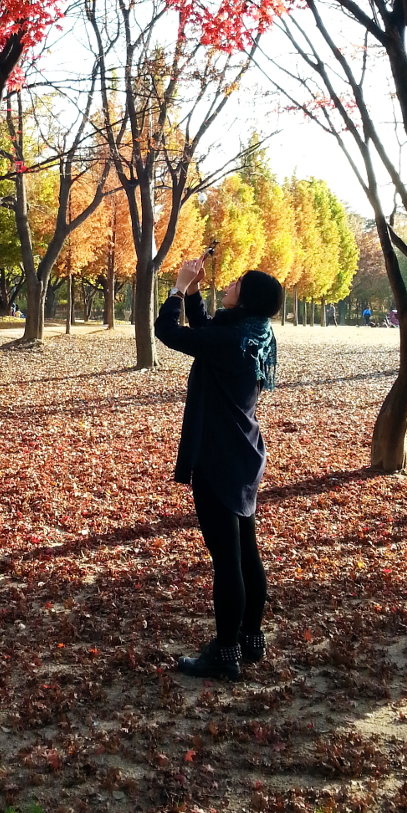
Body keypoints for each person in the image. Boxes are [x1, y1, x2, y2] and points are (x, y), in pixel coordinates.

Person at [154, 256, 283, 682]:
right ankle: (249, 639)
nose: (229, 283)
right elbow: (208, 332)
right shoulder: (254, 334)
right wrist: (194, 294)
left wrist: (176, 289)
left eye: (237, 282)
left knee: (228, 560)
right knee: (245, 551)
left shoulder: (232, 341)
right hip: (244, 454)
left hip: (219, 457)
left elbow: (169, 334)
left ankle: (225, 653)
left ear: (246, 299)